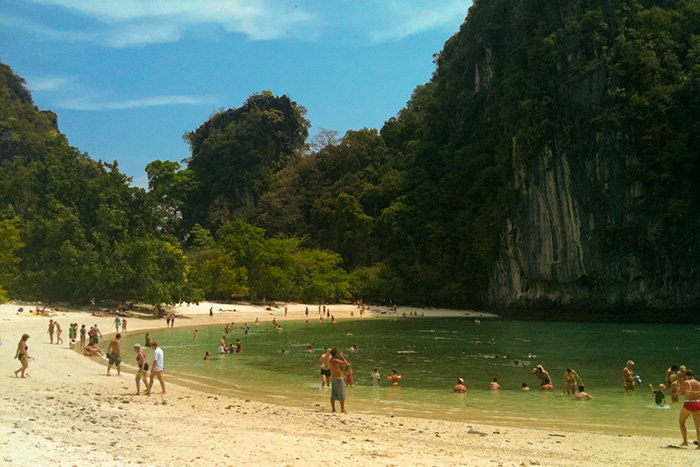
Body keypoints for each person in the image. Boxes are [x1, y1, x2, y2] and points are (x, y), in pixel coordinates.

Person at [678, 369, 700, 447]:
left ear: (687, 376)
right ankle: (699, 445)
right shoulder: (698, 383)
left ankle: (685, 441)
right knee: (698, 426)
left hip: (688, 403)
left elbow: (678, 393)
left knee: (681, 422)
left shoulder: (686, 382)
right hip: (697, 403)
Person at [329, 349, 348, 413]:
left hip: (333, 378)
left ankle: (333, 409)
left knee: (333, 394)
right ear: (335, 354)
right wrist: (342, 356)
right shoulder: (335, 360)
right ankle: (342, 409)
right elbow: (345, 363)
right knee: (341, 395)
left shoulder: (331, 360)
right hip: (339, 379)